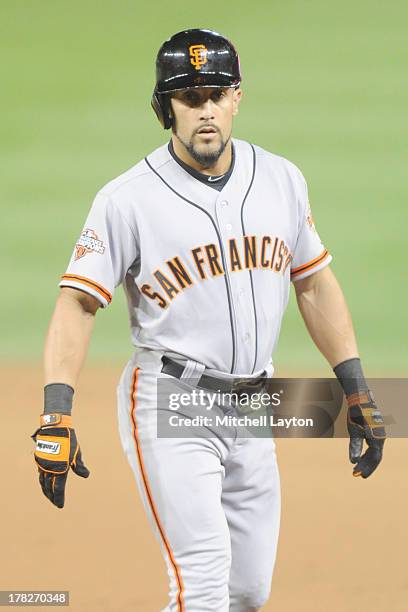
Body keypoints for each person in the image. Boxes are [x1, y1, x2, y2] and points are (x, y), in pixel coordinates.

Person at [32, 28, 386, 612]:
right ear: (164, 106)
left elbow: (315, 283)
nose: (205, 110)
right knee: (200, 583)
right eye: (189, 96)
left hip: (255, 401)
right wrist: (55, 411)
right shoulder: (126, 200)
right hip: (171, 398)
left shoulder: (281, 180)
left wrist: (357, 389)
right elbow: (77, 301)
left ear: (237, 97)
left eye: (217, 94)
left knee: (248, 592)